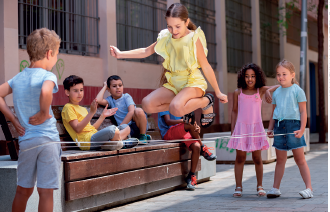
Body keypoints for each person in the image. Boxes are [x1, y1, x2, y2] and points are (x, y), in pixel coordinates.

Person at [109, 3, 228, 128]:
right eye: (170, 27)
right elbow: (146, 51)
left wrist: (218, 92)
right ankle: (183, 105)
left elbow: (206, 66)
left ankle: (206, 101)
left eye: (177, 26)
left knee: (175, 109)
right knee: (147, 104)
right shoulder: (166, 36)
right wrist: (120, 54)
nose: (174, 31)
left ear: (186, 22)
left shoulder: (193, 38)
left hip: (192, 82)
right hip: (174, 83)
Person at [0, 28, 61, 212]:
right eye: (56, 54)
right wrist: (43, 113)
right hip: (48, 141)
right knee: (45, 191)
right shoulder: (48, 76)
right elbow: (45, 91)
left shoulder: (17, 79)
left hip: (27, 141)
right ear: (49, 53)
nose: (56, 59)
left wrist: (13, 119)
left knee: (23, 191)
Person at [227, 63, 279, 197]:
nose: (250, 79)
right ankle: (238, 186)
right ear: (242, 78)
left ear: (257, 77)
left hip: (256, 128)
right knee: (240, 158)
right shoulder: (238, 92)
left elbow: (278, 86)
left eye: (253, 76)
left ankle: (259, 186)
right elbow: (234, 111)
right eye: (247, 76)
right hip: (241, 128)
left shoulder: (260, 91)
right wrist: (232, 129)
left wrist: (267, 90)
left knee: (257, 158)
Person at [266, 59, 312, 199]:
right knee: (280, 160)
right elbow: (274, 112)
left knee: (300, 159)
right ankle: (275, 188)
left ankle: (309, 188)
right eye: (278, 74)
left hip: (294, 126)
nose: (281, 77)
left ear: (292, 75)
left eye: (284, 74)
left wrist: (302, 128)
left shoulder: (298, 91)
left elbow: (303, 111)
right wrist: (270, 128)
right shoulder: (276, 93)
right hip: (280, 126)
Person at [61, 75, 136, 151]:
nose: (80, 93)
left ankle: (113, 143)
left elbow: (92, 128)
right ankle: (120, 142)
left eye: (81, 90)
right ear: (67, 92)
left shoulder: (83, 109)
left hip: (94, 136)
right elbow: (78, 129)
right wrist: (91, 112)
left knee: (126, 127)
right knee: (112, 129)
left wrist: (102, 116)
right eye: (75, 90)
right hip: (87, 142)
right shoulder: (68, 108)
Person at [158, 111, 216, 190]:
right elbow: (168, 122)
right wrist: (185, 122)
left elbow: (190, 119)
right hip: (168, 133)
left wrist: (196, 127)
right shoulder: (164, 102)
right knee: (189, 124)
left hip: (183, 130)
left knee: (196, 146)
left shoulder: (181, 102)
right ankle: (203, 148)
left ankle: (191, 176)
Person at [96, 75, 151, 142]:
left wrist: (120, 127)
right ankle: (136, 137)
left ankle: (143, 135)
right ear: (109, 89)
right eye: (114, 86)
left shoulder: (126, 97)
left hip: (136, 125)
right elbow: (98, 100)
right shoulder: (110, 100)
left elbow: (131, 112)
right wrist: (105, 86)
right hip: (126, 130)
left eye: (120, 85)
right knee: (117, 139)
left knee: (138, 110)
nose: (118, 88)